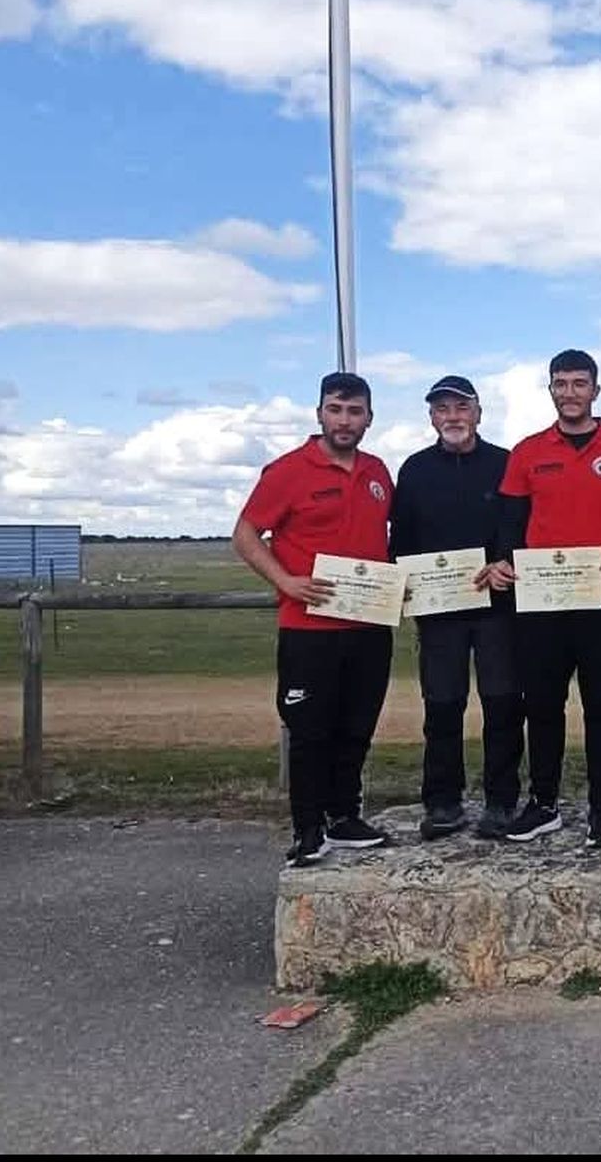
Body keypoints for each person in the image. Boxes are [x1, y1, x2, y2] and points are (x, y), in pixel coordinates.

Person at [492, 350, 601, 850]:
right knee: (542, 704)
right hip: (542, 600)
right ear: (550, 390)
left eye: (578, 383)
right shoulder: (526, 451)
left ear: (595, 390)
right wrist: (503, 560)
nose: (569, 392)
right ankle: (543, 803)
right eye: (560, 384)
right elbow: (510, 523)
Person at [231, 371, 394, 868]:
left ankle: (344, 817)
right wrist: (286, 582)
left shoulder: (377, 472)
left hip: (368, 628)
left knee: (356, 727)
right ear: (319, 413)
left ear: (369, 417)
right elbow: (244, 534)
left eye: (355, 411)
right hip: (309, 630)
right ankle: (307, 830)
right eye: (335, 410)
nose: (344, 421)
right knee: (309, 731)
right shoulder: (286, 471)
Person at [390, 375, 525, 842]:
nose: (453, 417)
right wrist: (403, 580)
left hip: (498, 606)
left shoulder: (506, 464)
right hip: (439, 611)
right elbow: (401, 538)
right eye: (443, 409)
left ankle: (502, 801)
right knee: (443, 706)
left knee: (503, 705)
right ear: (431, 417)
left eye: (461, 408)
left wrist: (506, 562)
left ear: (478, 413)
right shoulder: (414, 469)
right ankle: (443, 801)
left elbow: (521, 528)